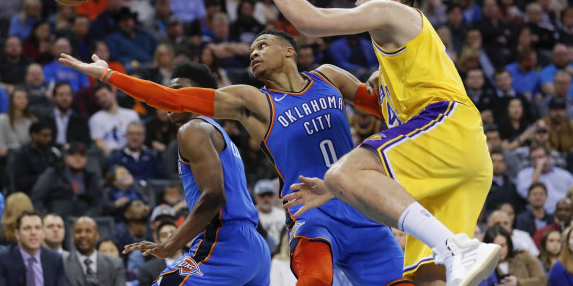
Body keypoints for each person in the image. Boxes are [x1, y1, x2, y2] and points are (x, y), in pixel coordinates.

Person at [60, 30, 407, 285]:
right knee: (315, 280)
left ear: (289, 51)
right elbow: (174, 99)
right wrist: (108, 75)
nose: (253, 54)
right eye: (250, 50)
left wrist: (387, 82)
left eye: (261, 45)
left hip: (361, 206)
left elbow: (388, 111)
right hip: (312, 213)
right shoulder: (253, 101)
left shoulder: (328, 76)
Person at [252, 0, 499, 284]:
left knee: (341, 173)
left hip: (446, 126)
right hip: (461, 156)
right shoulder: (402, 54)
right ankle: (455, 249)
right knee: (428, 278)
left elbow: (310, 22)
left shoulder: (394, 11)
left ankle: (457, 247)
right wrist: (332, 191)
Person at [122, 63, 271, 286]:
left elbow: (214, 196)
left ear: (200, 96)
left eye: (178, 90)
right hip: (255, 249)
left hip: (225, 243)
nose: (168, 97)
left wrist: (170, 244)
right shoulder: (220, 135)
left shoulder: (192, 130)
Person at [0, 210, 67, 286]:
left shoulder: (55, 259)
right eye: (27, 228)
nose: (33, 232)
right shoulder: (2, 259)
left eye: (37, 228)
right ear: (17, 234)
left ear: (43, 233)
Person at [31, 142, 102, 220]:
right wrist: (47, 218)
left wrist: (86, 219)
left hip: (83, 225)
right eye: (73, 154)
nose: (77, 158)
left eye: (82, 155)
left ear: (86, 159)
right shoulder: (54, 173)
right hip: (56, 223)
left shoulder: (91, 178)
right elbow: (37, 198)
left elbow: (98, 205)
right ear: (66, 157)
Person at [63, 216, 126, 286]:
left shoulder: (115, 264)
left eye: (88, 231)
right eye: (78, 231)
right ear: (72, 237)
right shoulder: (63, 264)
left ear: (97, 235)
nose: (83, 235)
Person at [479, 224, 546, 285]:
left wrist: (518, 282)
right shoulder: (484, 266)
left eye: (502, 245)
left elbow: (542, 281)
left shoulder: (524, 256)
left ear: (508, 244)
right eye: (495, 247)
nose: (500, 251)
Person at [88, 83, 140, 154]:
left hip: (132, 153)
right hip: (110, 157)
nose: (102, 99)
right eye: (98, 98)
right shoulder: (95, 119)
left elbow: (139, 138)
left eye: (104, 95)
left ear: (113, 93)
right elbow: (99, 144)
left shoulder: (132, 115)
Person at [40, 81, 90, 148]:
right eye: (61, 95)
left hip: (73, 154)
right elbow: (42, 141)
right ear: (54, 97)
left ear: (72, 97)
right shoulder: (45, 118)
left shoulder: (80, 120)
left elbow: (85, 142)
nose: (65, 98)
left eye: (68, 94)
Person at [12, 121, 57, 194]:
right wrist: (41, 178)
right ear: (34, 135)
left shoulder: (52, 154)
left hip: (51, 193)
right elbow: (19, 182)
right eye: (45, 135)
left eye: (50, 135)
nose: (49, 139)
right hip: (30, 193)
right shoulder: (23, 155)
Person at [136, 220, 182, 285]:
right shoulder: (147, 269)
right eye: (164, 235)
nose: (170, 237)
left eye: (173, 233)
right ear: (158, 242)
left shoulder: (195, 257)